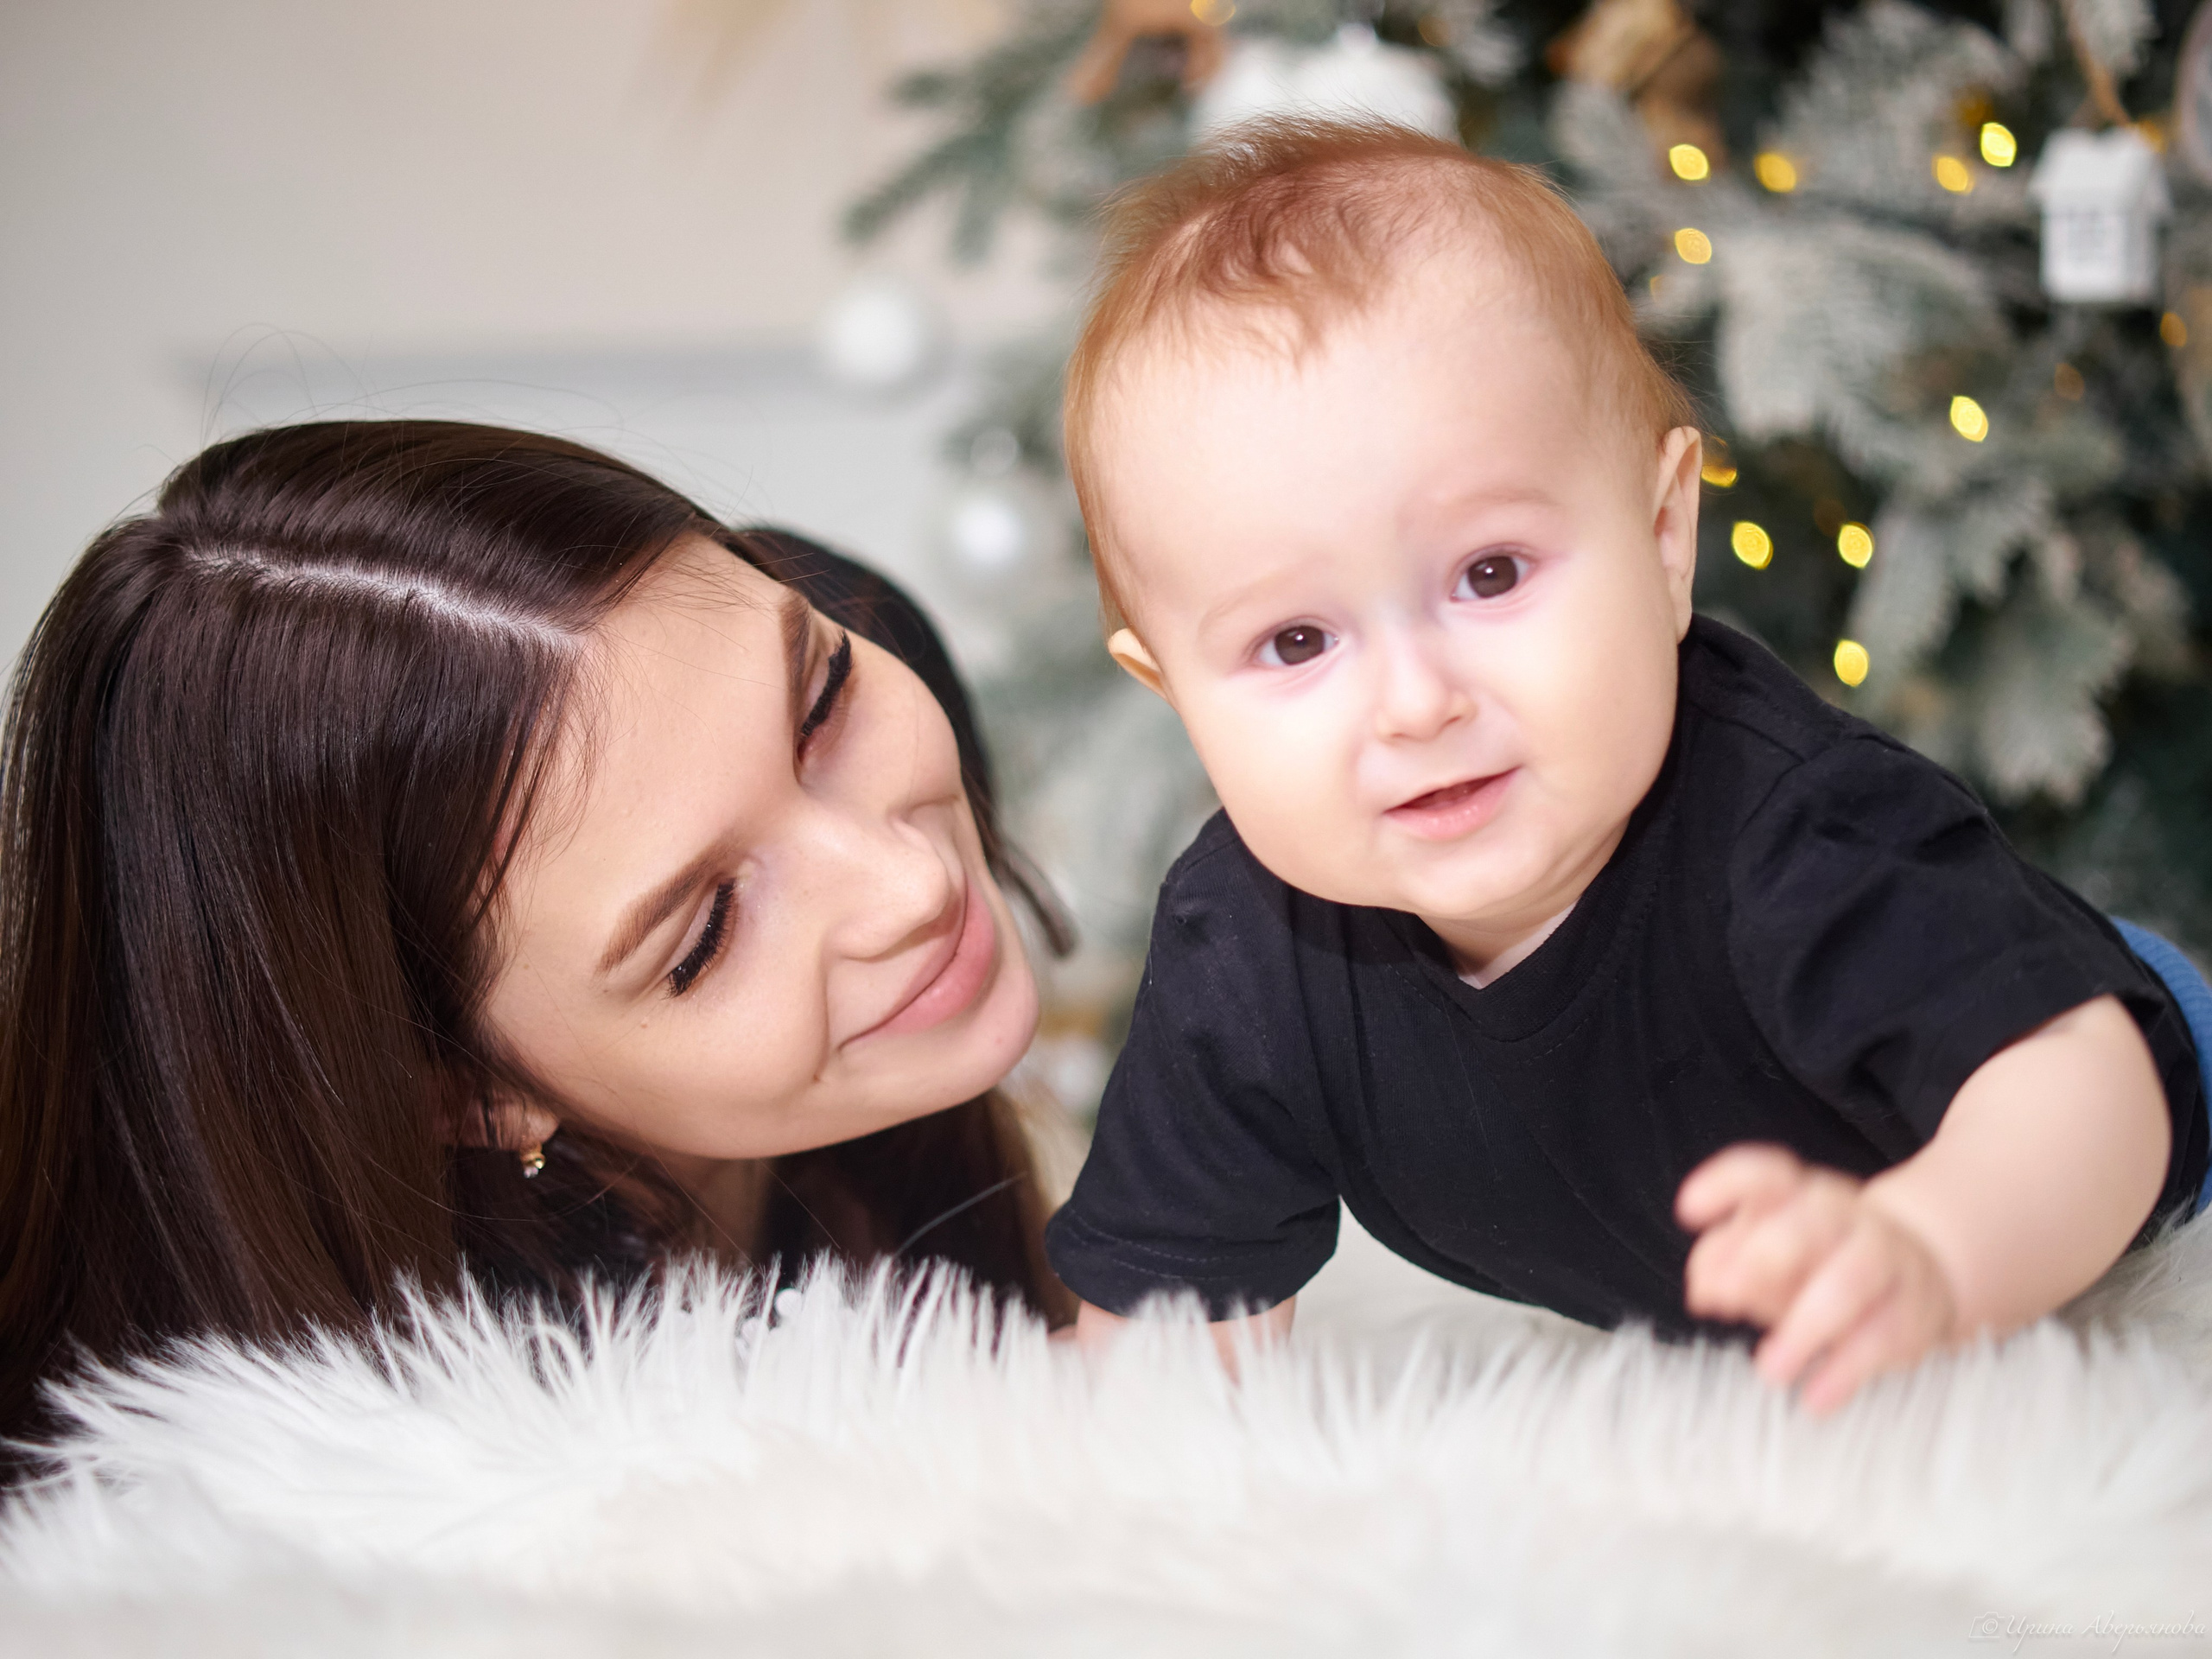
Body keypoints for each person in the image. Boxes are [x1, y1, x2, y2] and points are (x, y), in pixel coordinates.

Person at [1043, 121, 2212, 1412]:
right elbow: (1163, 1332)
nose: (1418, 703)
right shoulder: (1246, 945)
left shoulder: (1799, 832)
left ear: (1665, 539)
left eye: (1489, 574)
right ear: (1173, 693)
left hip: (2118, 1072)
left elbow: (2082, 1088)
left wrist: (1937, 1248)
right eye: (1295, 640)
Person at [0, 419, 1074, 1474]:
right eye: (703, 933)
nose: (914, 886)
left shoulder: (863, 624)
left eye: (821, 706)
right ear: (467, 1093)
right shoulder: (459, 1488)